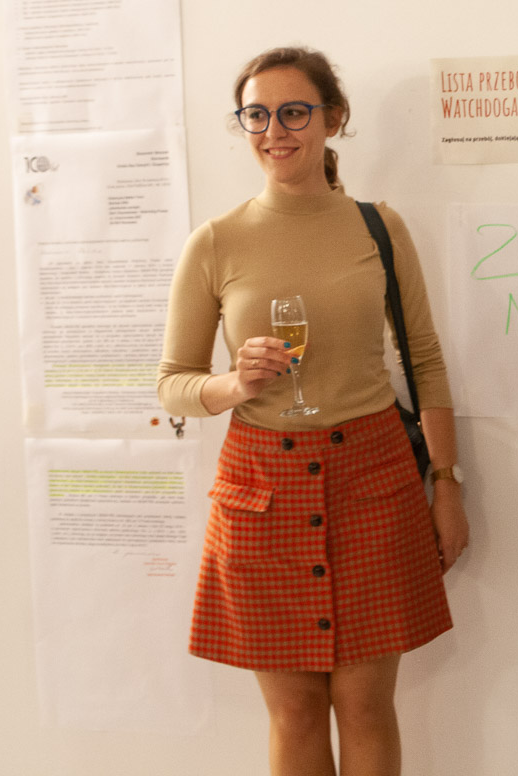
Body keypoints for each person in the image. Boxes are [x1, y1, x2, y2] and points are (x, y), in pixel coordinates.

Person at [157, 45, 468, 776]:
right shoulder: (215, 241)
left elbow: (424, 360)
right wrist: (233, 386)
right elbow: (173, 383)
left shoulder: (378, 226)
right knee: (294, 711)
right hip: (261, 486)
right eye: (256, 115)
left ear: (333, 118)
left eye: (294, 112)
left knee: (365, 705)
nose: (275, 131)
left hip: (374, 477)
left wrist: (447, 483)